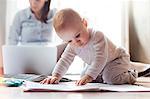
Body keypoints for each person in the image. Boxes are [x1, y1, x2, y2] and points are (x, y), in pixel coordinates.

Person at [41, 8, 150, 86]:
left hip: (116, 59)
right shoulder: (73, 45)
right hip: (101, 66)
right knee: (83, 76)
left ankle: (131, 74)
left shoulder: (97, 36)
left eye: (77, 36)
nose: (76, 42)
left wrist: (89, 76)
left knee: (109, 78)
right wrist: (56, 75)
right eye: (69, 40)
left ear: (85, 23)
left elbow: (100, 58)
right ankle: (101, 75)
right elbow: (65, 59)